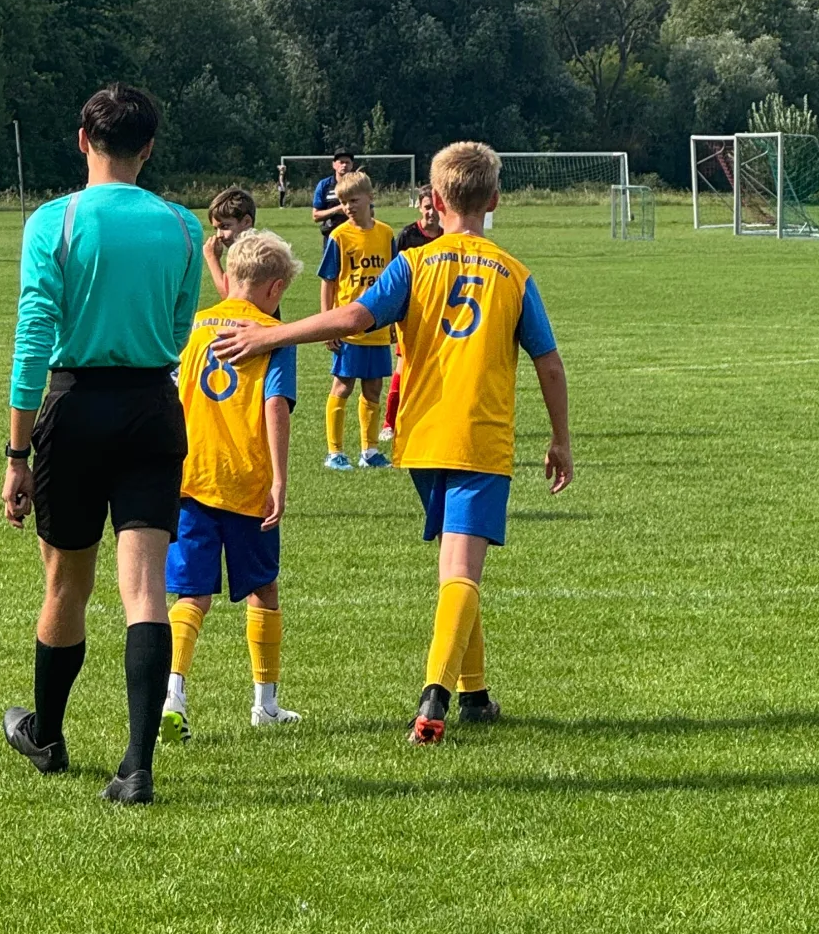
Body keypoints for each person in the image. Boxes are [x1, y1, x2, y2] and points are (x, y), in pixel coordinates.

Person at [211, 140, 572, 746]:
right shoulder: (514, 274)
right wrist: (560, 439)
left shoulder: (413, 264)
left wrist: (277, 334)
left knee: (457, 563)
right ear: (494, 200)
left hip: (421, 437)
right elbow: (550, 364)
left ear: (436, 201)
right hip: (480, 438)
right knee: (462, 570)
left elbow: (354, 318)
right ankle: (435, 698)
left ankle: (475, 693)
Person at [0, 82, 204, 806]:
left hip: (75, 405)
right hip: (152, 405)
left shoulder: (53, 221)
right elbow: (179, 327)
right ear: (148, 148)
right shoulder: (183, 226)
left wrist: (16, 455)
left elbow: (33, 339)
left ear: (83, 140)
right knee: (145, 587)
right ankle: (137, 765)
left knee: (67, 584)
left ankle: (48, 736)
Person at [162, 229, 302, 743]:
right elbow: (274, 404)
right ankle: (265, 704)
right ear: (275, 287)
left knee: (190, 594)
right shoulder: (274, 334)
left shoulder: (194, 327)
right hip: (247, 481)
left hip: (191, 478)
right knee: (263, 589)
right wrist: (280, 479)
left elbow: (170, 394)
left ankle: (172, 695)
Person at [318, 170, 395, 471]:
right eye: (343, 202)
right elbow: (328, 281)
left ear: (370, 198)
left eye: (353, 200)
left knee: (373, 388)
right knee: (342, 386)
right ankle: (335, 452)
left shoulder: (386, 234)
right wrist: (328, 323)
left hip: (377, 325)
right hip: (348, 326)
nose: (348, 207)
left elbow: (393, 282)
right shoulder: (339, 236)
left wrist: (393, 321)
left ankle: (370, 450)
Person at [383, 185, 442, 443]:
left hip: (439, 313)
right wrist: (392, 317)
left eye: (435, 207)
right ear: (419, 207)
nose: (431, 213)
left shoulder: (446, 236)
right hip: (410, 313)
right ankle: (389, 423)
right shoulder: (408, 236)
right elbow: (394, 277)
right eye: (427, 207)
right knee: (403, 367)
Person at [203, 186, 256, 301]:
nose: (219, 235)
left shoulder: (253, 255)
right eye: (216, 229)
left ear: (246, 222)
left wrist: (212, 259)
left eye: (225, 226)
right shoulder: (244, 252)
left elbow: (233, 298)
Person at [311, 150, 356, 242]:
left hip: (354, 236)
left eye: (347, 162)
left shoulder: (358, 184)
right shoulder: (324, 185)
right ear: (334, 165)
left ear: (352, 165)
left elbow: (370, 212)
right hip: (331, 238)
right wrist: (337, 210)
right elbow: (316, 216)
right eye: (341, 162)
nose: (344, 165)